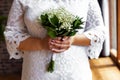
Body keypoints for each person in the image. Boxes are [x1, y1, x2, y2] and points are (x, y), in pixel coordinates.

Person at [4, 0, 105, 80]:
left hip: (75, 72)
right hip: (37, 73)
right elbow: (12, 35)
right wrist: (41, 44)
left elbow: (99, 31)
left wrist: (73, 39)